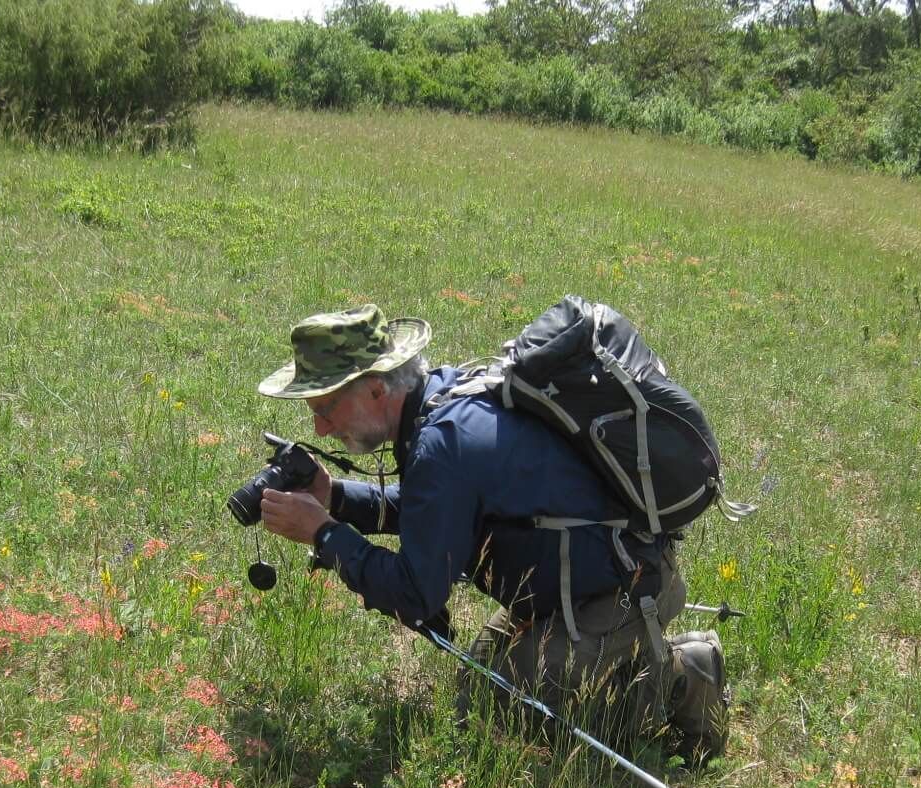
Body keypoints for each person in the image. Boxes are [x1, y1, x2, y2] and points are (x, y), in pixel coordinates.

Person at [255, 303, 729, 762]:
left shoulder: (441, 443)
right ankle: (629, 664)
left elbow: (416, 594)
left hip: (619, 594)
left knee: (494, 715)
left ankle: (682, 676)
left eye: (326, 408)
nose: (319, 427)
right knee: (478, 681)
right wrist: (333, 495)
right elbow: (435, 513)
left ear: (376, 391)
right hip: (590, 585)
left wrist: (324, 535)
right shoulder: (443, 402)